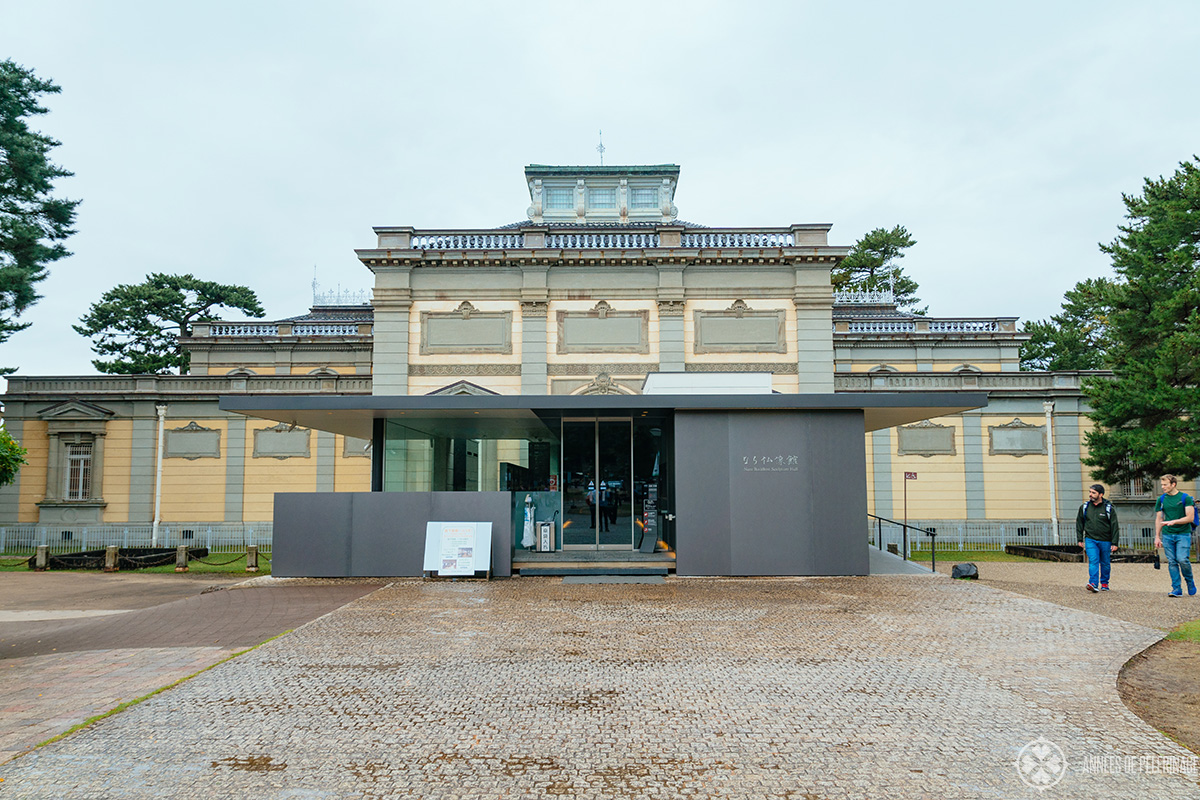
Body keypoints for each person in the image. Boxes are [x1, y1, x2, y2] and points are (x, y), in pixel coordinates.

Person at [1154, 474, 1196, 598]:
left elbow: (1190, 517)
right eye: (1162, 485)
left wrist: (1174, 521)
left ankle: (1189, 581)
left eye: (1165, 484)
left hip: (1183, 534)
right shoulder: (1161, 499)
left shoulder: (1185, 498)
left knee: (1182, 559)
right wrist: (1157, 536)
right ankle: (1176, 588)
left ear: (1173, 484)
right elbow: (1159, 518)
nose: (1163, 487)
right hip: (1167, 535)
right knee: (1172, 562)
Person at [1077, 483, 1119, 592]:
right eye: (1090, 492)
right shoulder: (1085, 507)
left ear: (1101, 495)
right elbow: (1079, 523)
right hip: (1090, 539)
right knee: (1093, 560)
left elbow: (1114, 526)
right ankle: (1093, 583)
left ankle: (1104, 583)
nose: (1090, 494)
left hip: (1105, 540)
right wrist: (1080, 539)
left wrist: (1115, 543)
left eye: (1093, 493)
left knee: (1105, 562)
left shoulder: (1109, 508)